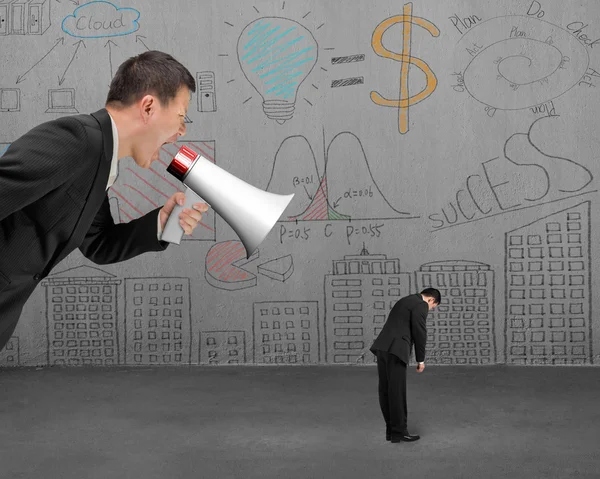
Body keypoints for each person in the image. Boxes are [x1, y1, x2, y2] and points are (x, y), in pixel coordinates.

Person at [0, 50, 209, 352]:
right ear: (148, 106)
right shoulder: (78, 140)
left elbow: (98, 243)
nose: (181, 132)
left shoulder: (101, 160)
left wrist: (162, 224)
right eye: (180, 117)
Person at [370, 288, 441, 443]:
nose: (430, 310)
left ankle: (392, 432)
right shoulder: (421, 304)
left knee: (386, 391)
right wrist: (420, 360)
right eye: (433, 307)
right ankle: (400, 432)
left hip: (382, 347)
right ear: (431, 300)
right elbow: (419, 332)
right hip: (396, 350)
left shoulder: (405, 300)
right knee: (397, 392)